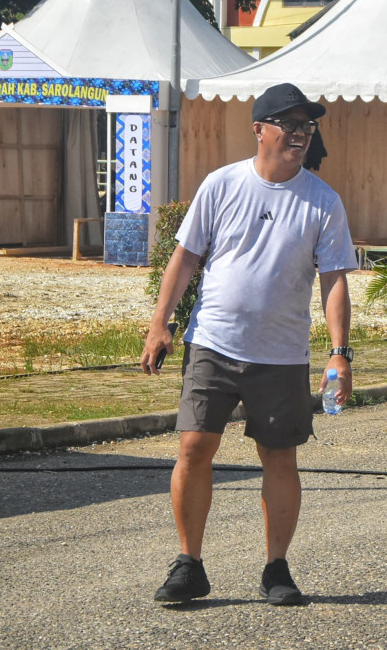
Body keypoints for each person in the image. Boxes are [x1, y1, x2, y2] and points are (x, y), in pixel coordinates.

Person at [140, 82, 359, 606]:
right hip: (213, 342)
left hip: (281, 355)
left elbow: (334, 280)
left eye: (307, 126)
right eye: (289, 124)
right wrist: (160, 322)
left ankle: (276, 569)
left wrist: (339, 352)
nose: (300, 134)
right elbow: (186, 258)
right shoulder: (221, 185)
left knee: (279, 458)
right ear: (260, 129)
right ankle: (189, 564)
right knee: (194, 447)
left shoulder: (323, 202)